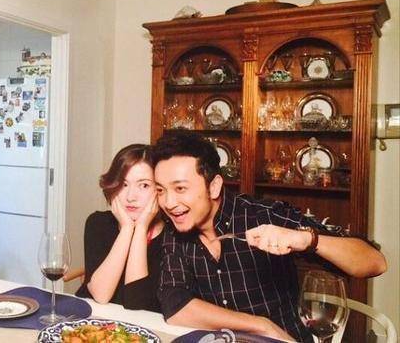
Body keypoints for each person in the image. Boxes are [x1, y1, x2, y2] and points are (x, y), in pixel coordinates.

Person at [151, 130, 387, 342]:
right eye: (161, 190)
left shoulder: (264, 215)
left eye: (180, 188)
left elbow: (374, 262)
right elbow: (175, 306)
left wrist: (304, 239)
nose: (169, 203)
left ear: (213, 186)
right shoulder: (177, 227)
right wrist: (261, 326)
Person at [76, 144, 165, 312]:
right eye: (124, 184)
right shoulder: (98, 223)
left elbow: (136, 304)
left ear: (159, 189)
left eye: (144, 185)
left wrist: (141, 228)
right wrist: (126, 229)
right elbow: (101, 295)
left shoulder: (173, 236)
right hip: (91, 318)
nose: (131, 197)